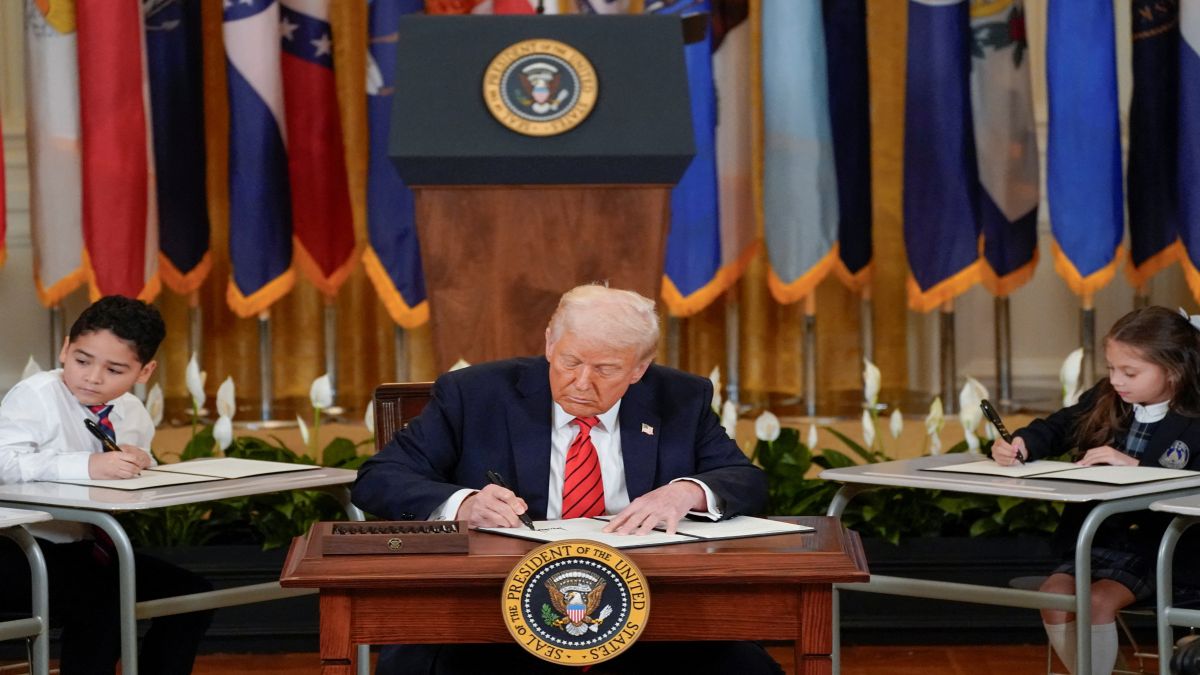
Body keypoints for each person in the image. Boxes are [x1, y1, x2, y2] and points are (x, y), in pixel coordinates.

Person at [353, 284, 778, 674]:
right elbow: (380, 478)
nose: (582, 383)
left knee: (745, 667)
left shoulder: (681, 397)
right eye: (570, 361)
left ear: (639, 368)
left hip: (650, 603)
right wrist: (463, 503)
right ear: (549, 344)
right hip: (494, 602)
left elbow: (744, 478)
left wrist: (686, 492)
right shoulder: (475, 394)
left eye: (606, 369)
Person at [0, 295, 212, 675]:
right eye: (82, 360)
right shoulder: (36, 397)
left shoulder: (132, 412)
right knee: (103, 602)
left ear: (144, 372)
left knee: (191, 594)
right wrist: (88, 465)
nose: (93, 377)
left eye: (114, 369)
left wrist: (143, 466)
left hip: (84, 551)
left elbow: (120, 483)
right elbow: (4, 464)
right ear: (65, 348)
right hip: (18, 549)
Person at [992, 306, 1200, 675]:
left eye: (1130, 372)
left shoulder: (1195, 413)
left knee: (1096, 601)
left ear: (1174, 370)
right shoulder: (1108, 397)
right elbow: (1057, 427)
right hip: (1099, 539)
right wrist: (1022, 443)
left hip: (1166, 547)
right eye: (1111, 368)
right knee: (1054, 595)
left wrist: (1139, 470)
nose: (1117, 380)